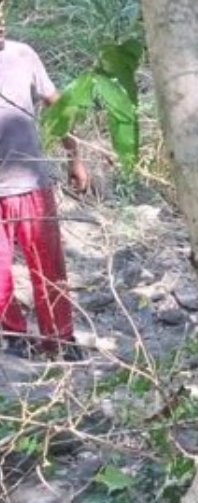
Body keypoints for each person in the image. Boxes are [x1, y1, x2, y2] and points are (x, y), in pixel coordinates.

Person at [0, 11, 89, 360]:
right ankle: (13, 335)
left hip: (31, 183)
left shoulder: (22, 56)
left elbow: (58, 105)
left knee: (48, 267)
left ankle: (60, 340)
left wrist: (75, 156)